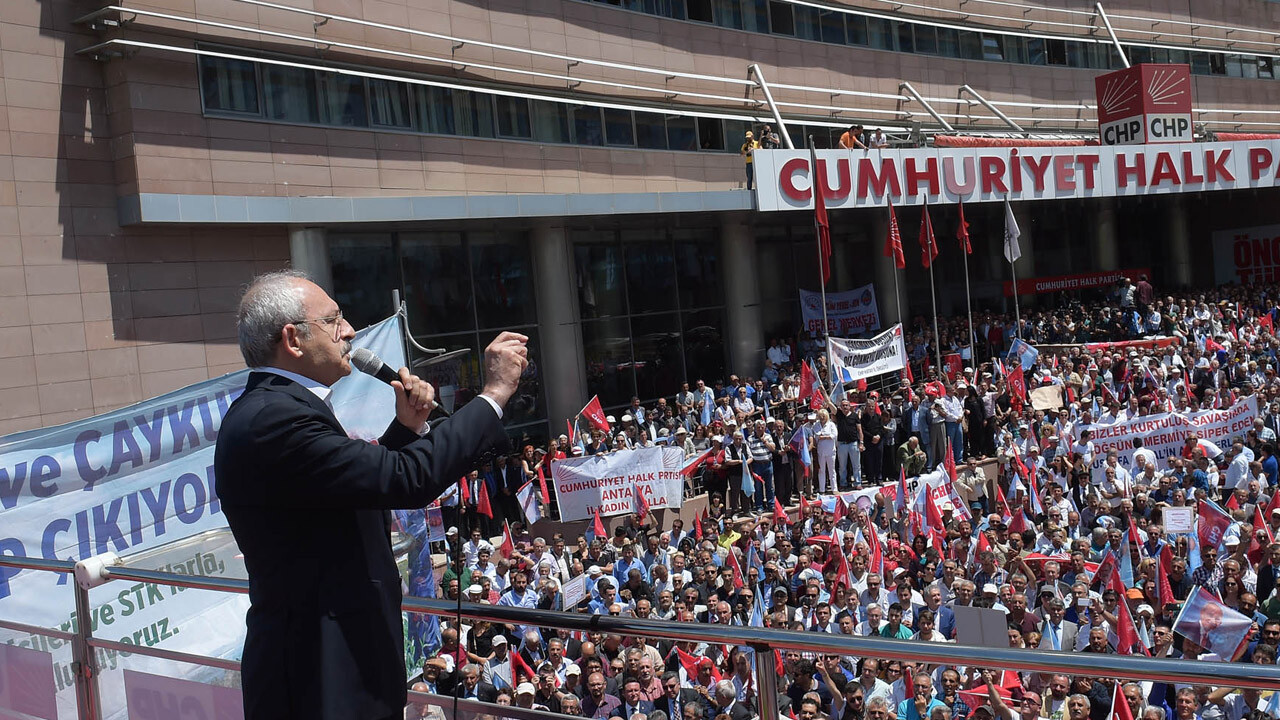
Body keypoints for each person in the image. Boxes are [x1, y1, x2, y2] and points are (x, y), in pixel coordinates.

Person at [215, 270, 527, 720]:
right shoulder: (274, 418)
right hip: (320, 674)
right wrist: (493, 394)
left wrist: (405, 428)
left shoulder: (281, 408)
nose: (349, 332)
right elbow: (406, 479)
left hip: (334, 664)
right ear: (293, 339)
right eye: (334, 320)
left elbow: (351, 493)